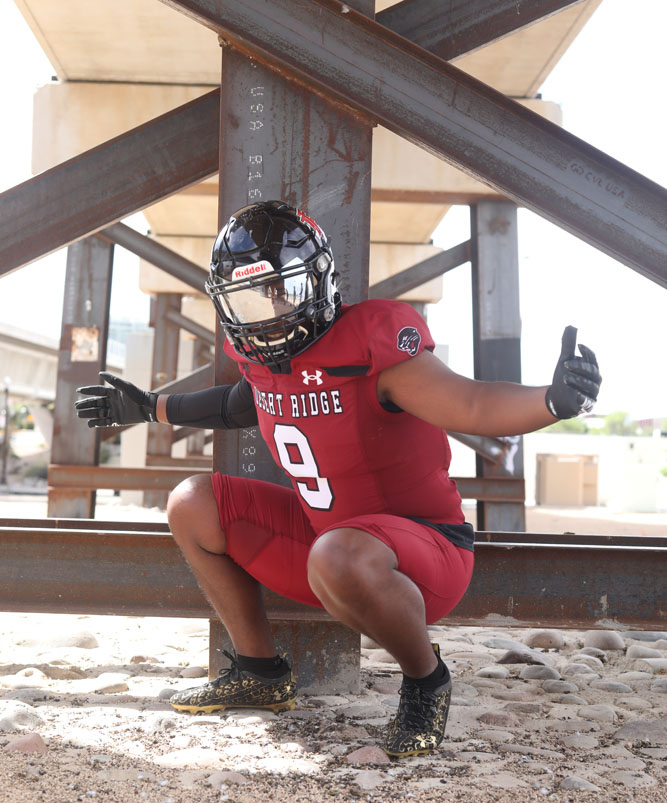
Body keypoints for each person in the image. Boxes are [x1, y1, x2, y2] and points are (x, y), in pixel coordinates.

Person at [75, 200, 601, 758]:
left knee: (339, 553)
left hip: (423, 558)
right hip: (327, 546)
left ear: (320, 281)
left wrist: (552, 402)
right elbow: (240, 403)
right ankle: (260, 671)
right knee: (192, 501)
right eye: (252, 299)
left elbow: (470, 402)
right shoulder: (264, 359)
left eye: (285, 291)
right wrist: (151, 407)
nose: (271, 313)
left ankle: (427, 682)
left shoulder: (375, 344)